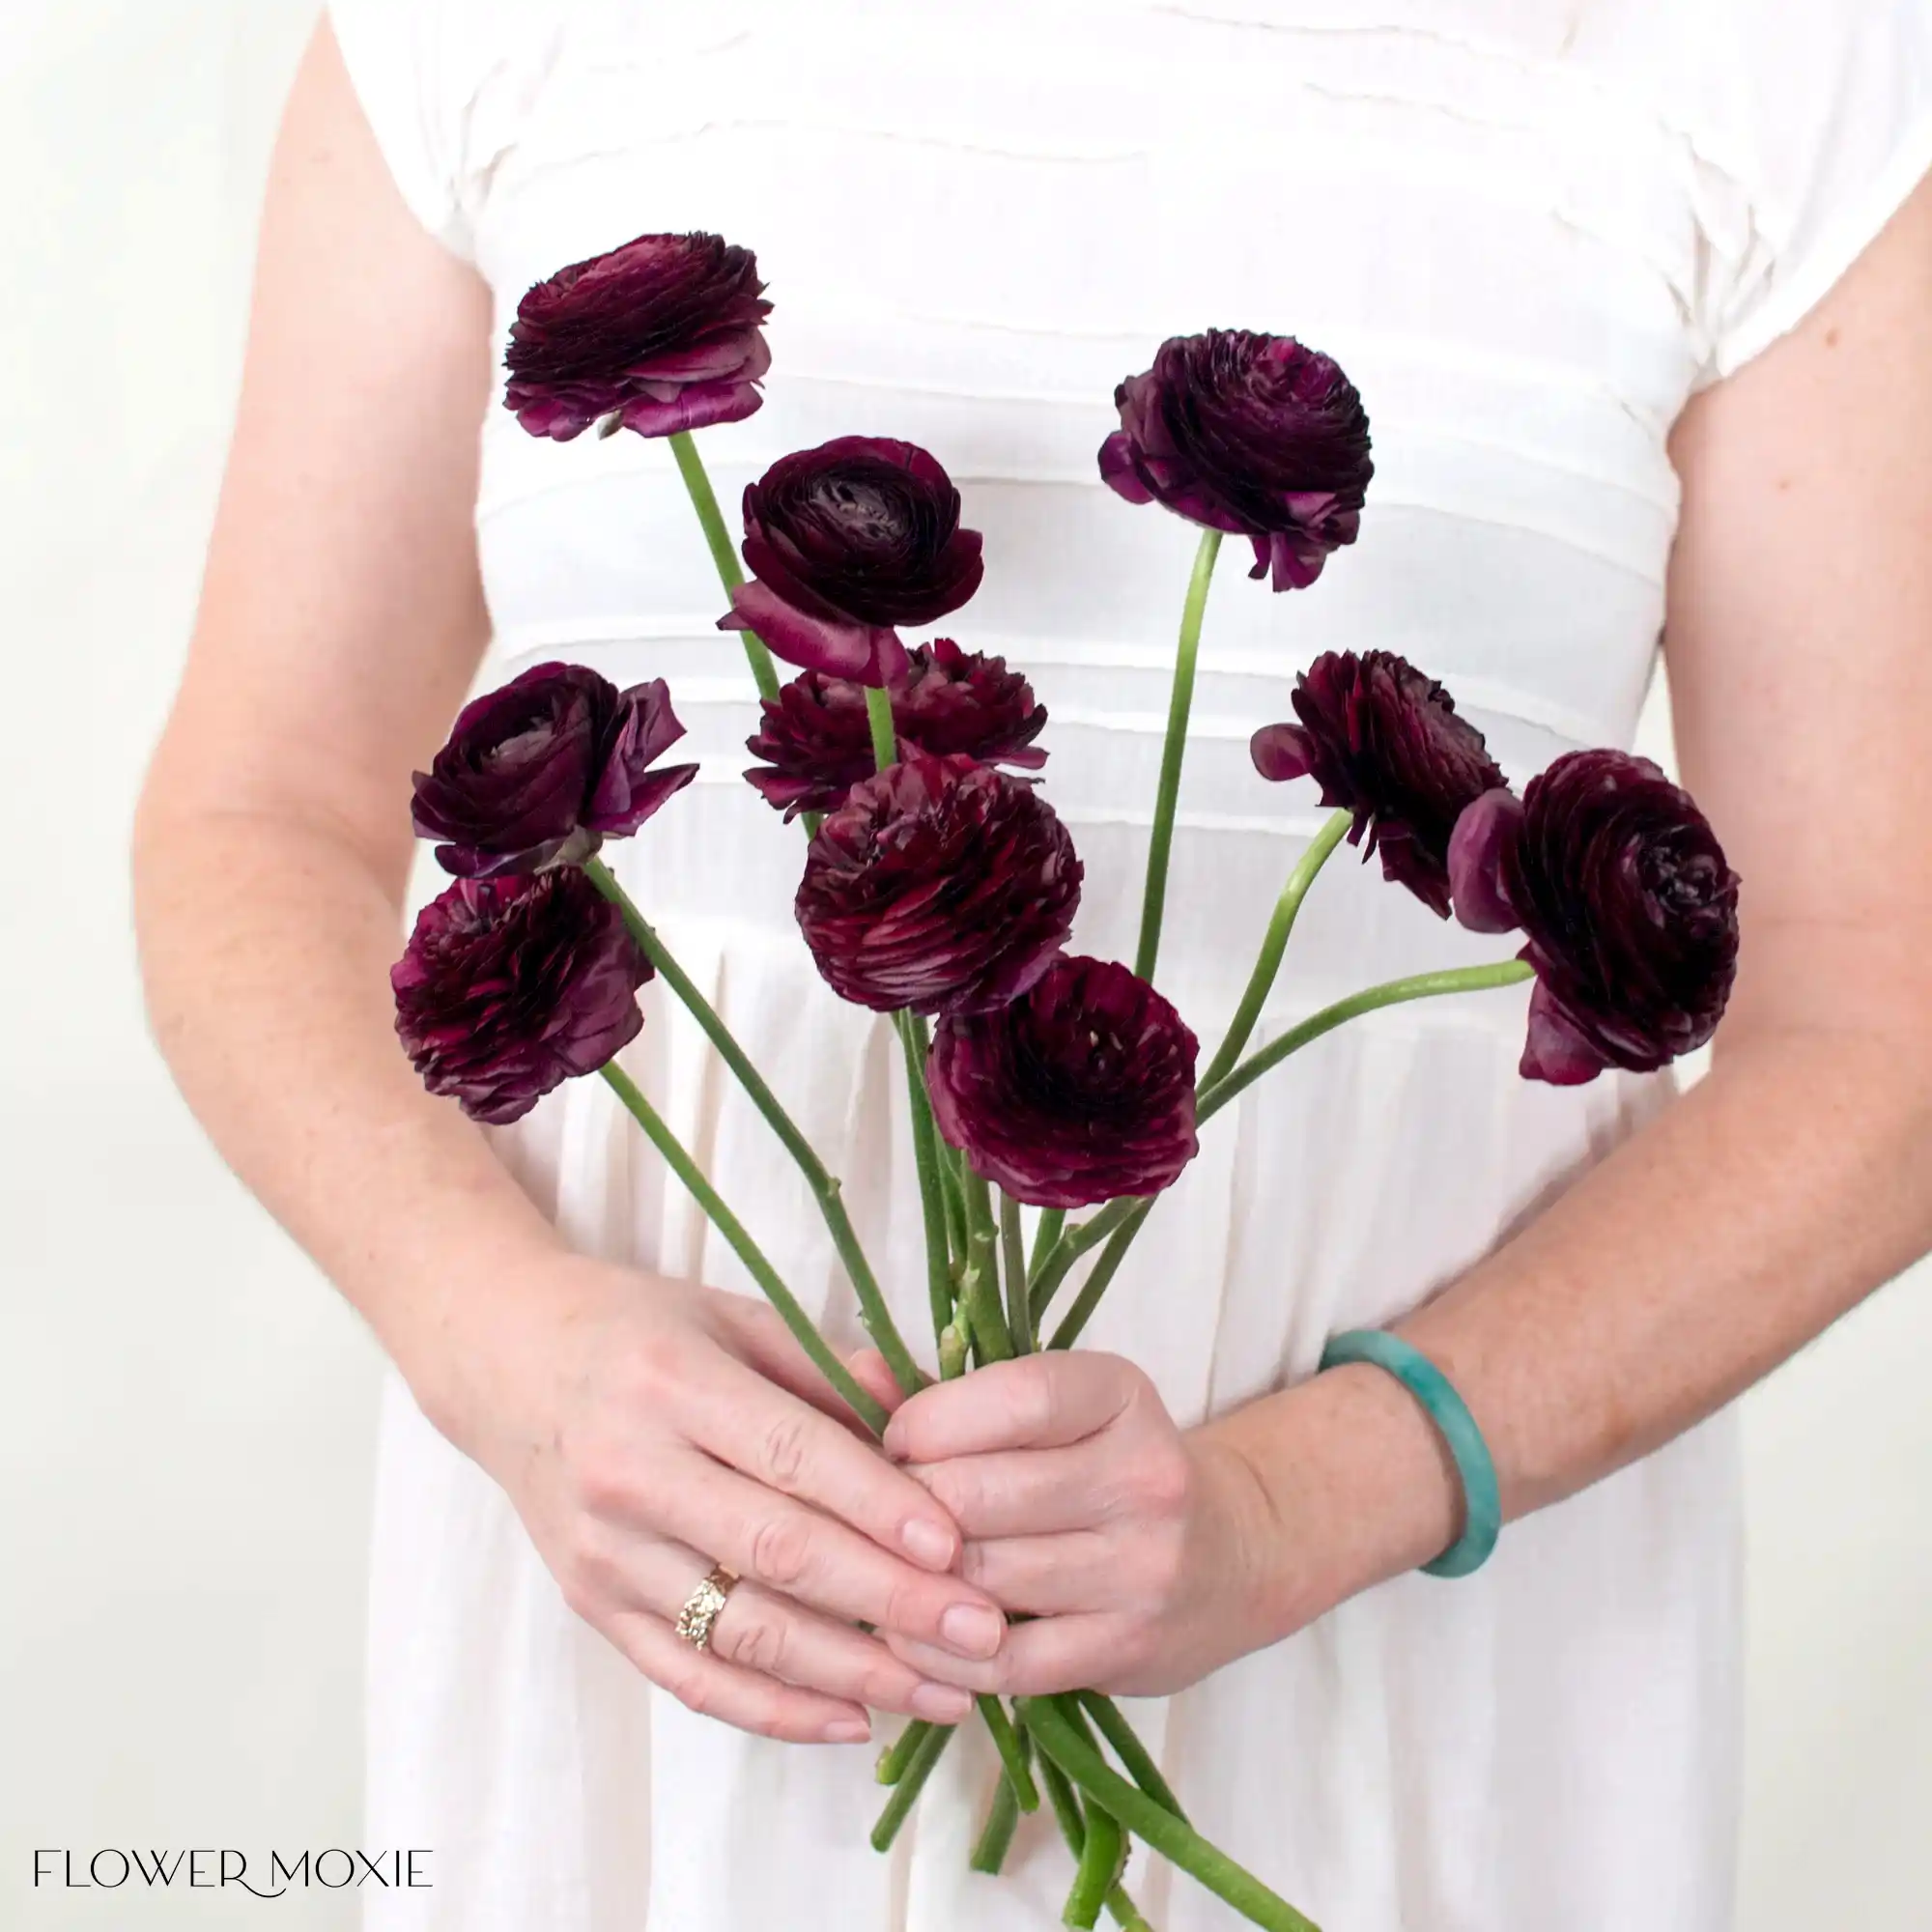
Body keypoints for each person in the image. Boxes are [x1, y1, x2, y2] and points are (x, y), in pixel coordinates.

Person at [132, 3, 1932, 1928]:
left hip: (1398, 1631)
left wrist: (1315, 1492)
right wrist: (493, 1337)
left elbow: (1878, 1015)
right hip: (674, 1612)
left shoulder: (1780, 62)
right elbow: (264, 813)